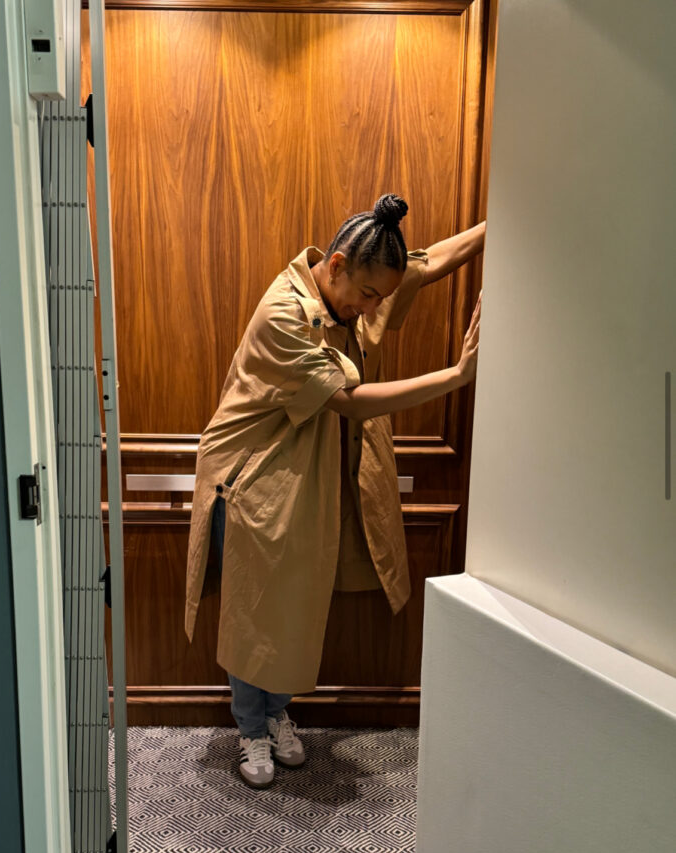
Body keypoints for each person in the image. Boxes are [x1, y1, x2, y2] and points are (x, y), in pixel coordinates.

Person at [186, 194, 484, 788]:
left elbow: (428, 260)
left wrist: (499, 222)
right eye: (370, 295)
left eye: (381, 297)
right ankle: (251, 730)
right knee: (256, 611)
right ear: (339, 265)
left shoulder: (345, 294)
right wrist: (455, 376)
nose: (375, 307)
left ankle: (275, 714)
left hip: (302, 475)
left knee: (292, 605)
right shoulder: (284, 315)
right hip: (254, 479)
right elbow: (347, 403)